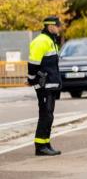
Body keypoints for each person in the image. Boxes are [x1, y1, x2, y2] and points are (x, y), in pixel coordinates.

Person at [27, 16, 63, 156]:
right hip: (43, 86)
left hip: (50, 85)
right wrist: (31, 80)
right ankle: (40, 147)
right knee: (45, 115)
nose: (59, 28)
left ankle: (45, 143)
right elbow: (33, 63)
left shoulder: (50, 40)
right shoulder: (41, 41)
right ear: (50, 26)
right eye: (57, 26)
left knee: (49, 115)